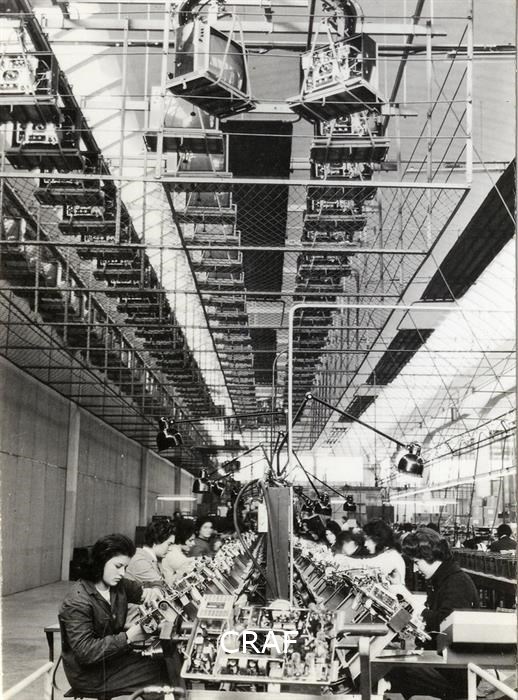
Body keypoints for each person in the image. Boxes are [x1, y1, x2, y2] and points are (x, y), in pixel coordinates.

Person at [58, 534, 169, 696]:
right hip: (89, 674)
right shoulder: (78, 600)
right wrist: (128, 637)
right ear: (100, 562)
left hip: (113, 658)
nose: (122, 573)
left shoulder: (118, 585)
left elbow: (143, 590)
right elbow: (86, 652)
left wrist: (152, 592)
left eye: (125, 567)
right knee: (162, 673)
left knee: (165, 662)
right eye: (118, 566)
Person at [384, 528, 479, 699]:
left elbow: (443, 627)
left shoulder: (457, 583)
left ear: (431, 557)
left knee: (394, 668)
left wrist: (407, 597)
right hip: (444, 661)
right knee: (393, 664)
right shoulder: (442, 579)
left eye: (417, 562)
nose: (415, 569)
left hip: (456, 673)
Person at [335, 519, 406, 582]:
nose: (365, 544)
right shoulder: (388, 553)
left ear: (377, 539)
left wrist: (342, 559)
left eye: (367, 540)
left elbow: (365, 565)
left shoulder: (391, 557)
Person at [125, 519, 175, 587]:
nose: (170, 549)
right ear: (156, 541)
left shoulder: (149, 557)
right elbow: (163, 588)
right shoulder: (140, 561)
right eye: (169, 544)